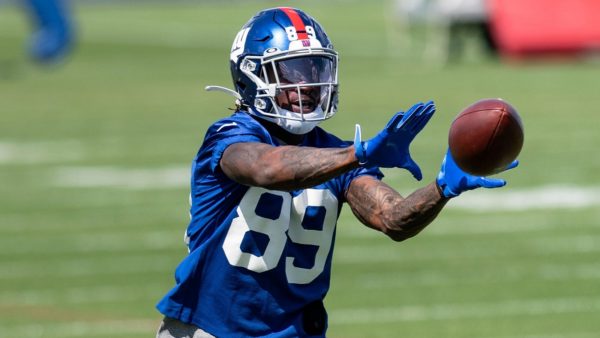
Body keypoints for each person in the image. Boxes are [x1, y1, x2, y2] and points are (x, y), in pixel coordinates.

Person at [156, 7, 517, 338]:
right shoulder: (230, 136)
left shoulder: (336, 154)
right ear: (252, 74)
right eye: (294, 70)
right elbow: (266, 169)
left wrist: (441, 188)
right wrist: (354, 155)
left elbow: (392, 218)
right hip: (209, 330)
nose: (309, 83)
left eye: (316, 69)